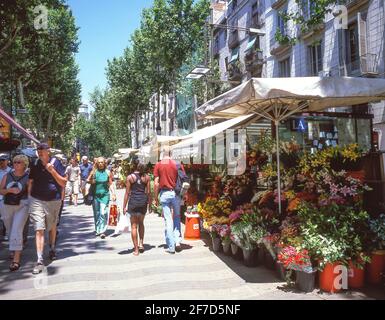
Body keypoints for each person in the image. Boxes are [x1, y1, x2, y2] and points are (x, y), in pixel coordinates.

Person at [28, 143, 67, 274]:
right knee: (39, 229)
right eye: (38, 150)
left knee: (52, 227)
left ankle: (52, 248)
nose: (39, 152)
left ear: (48, 151)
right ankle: (39, 260)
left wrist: (52, 171)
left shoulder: (56, 163)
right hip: (36, 200)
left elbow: (63, 182)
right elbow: (31, 181)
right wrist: (29, 199)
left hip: (53, 200)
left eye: (42, 150)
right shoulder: (34, 164)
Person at [0, 155, 30, 271]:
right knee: (9, 229)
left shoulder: (28, 177)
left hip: (22, 205)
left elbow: (31, 192)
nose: (16, 164)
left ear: (24, 165)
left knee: (17, 229)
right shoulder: (7, 176)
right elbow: (1, 190)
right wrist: (9, 190)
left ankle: (16, 259)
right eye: (15, 162)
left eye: (19, 162)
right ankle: (14, 248)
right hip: (6, 205)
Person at [153, 145, 185, 254]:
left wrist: (155, 197)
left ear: (162, 153)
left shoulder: (158, 164)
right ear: (171, 153)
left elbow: (156, 183)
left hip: (165, 193)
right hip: (176, 194)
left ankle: (171, 246)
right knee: (177, 217)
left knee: (168, 219)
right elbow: (183, 180)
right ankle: (177, 242)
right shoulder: (177, 164)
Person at [123, 161, 150, 256]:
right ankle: (141, 244)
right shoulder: (146, 177)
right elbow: (148, 192)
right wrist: (150, 204)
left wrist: (124, 206)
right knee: (141, 223)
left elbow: (127, 193)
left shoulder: (130, 177)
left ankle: (136, 249)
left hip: (133, 202)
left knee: (134, 226)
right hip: (143, 202)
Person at [87, 157, 116, 239]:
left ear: (104, 163)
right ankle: (98, 229)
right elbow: (87, 180)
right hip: (95, 195)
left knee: (103, 213)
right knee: (97, 213)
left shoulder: (108, 172)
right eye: (99, 162)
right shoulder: (94, 172)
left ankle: (102, 231)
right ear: (97, 163)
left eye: (102, 162)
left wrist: (113, 193)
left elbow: (110, 183)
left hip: (105, 195)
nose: (100, 164)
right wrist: (91, 181)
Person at [0, 153, 12, 241]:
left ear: (7, 161)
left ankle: (6, 232)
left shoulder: (11, 171)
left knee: (6, 217)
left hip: (6, 197)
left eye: (3, 160)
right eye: (0, 160)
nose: (1, 162)